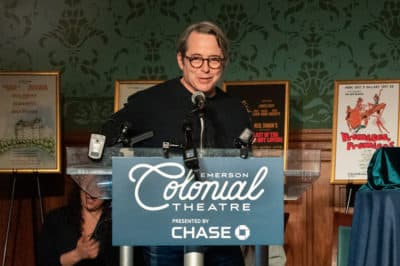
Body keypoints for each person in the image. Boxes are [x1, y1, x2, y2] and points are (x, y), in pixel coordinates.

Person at [101, 21, 251, 265]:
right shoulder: (149, 102)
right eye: (196, 59)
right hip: (163, 231)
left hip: (222, 231)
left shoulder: (236, 111)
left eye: (214, 59)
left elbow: (247, 167)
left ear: (224, 62)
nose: (205, 68)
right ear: (181, 60)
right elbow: (104, 141)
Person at [36, 182, 119, 266]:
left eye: (98, 185)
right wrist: (77, 255)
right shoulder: (56, 219)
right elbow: (43, 262)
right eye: (87, 182)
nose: (90, 191)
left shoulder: (118, 224)